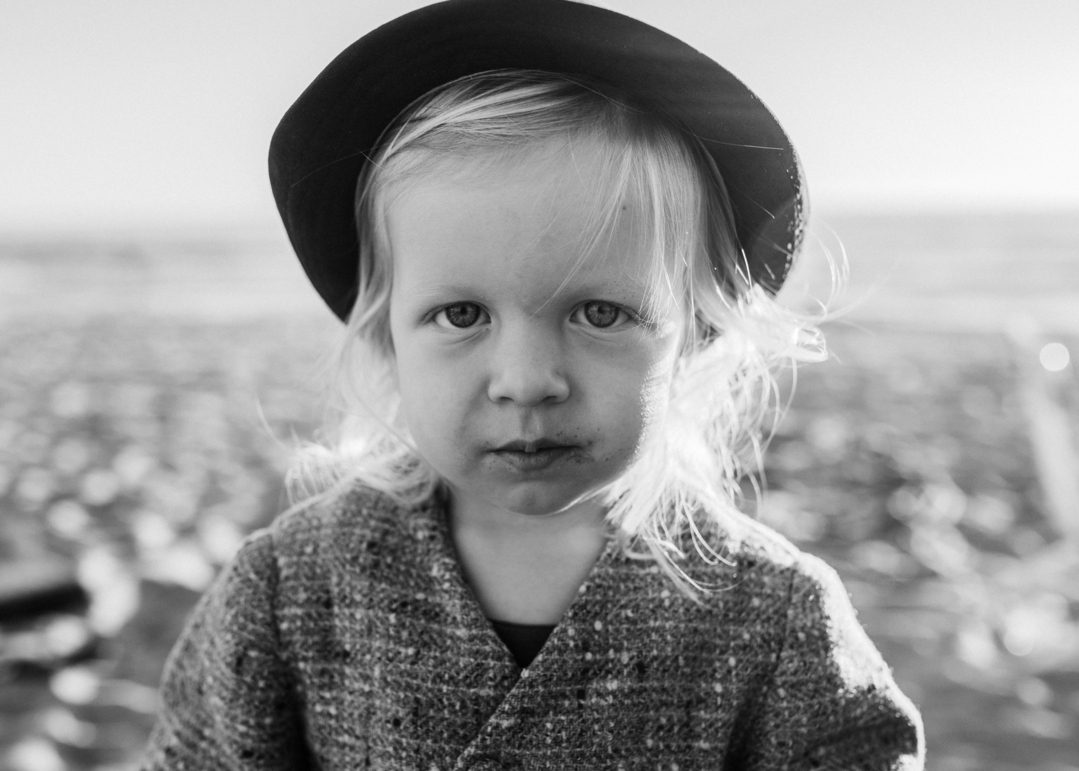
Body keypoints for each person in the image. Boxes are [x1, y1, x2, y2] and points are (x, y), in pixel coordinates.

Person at [143, 1, 924, 768]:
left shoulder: (774, 617)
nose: (526, 381)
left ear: (693, 332)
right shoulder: (289, 587)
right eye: (459, 314)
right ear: (385, 334)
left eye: (599, 311)